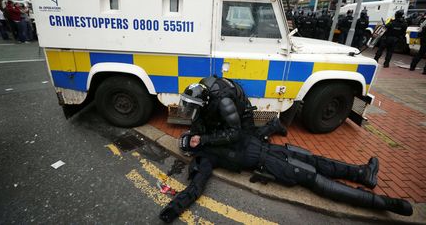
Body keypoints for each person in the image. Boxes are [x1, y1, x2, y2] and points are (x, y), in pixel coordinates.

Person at [158, 77, 413, 223]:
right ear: (193, 152)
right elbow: (196, 186)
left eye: (190, 138)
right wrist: (173, 209)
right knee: (313, 176)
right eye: (189, 144)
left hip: (271, 149)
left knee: (317, 159)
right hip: (270, 165)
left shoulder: (208, 131)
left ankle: (362, 173)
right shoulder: (206, 154)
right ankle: (386, 203)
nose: (191, 141)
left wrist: (200, 137)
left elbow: (233, 131)